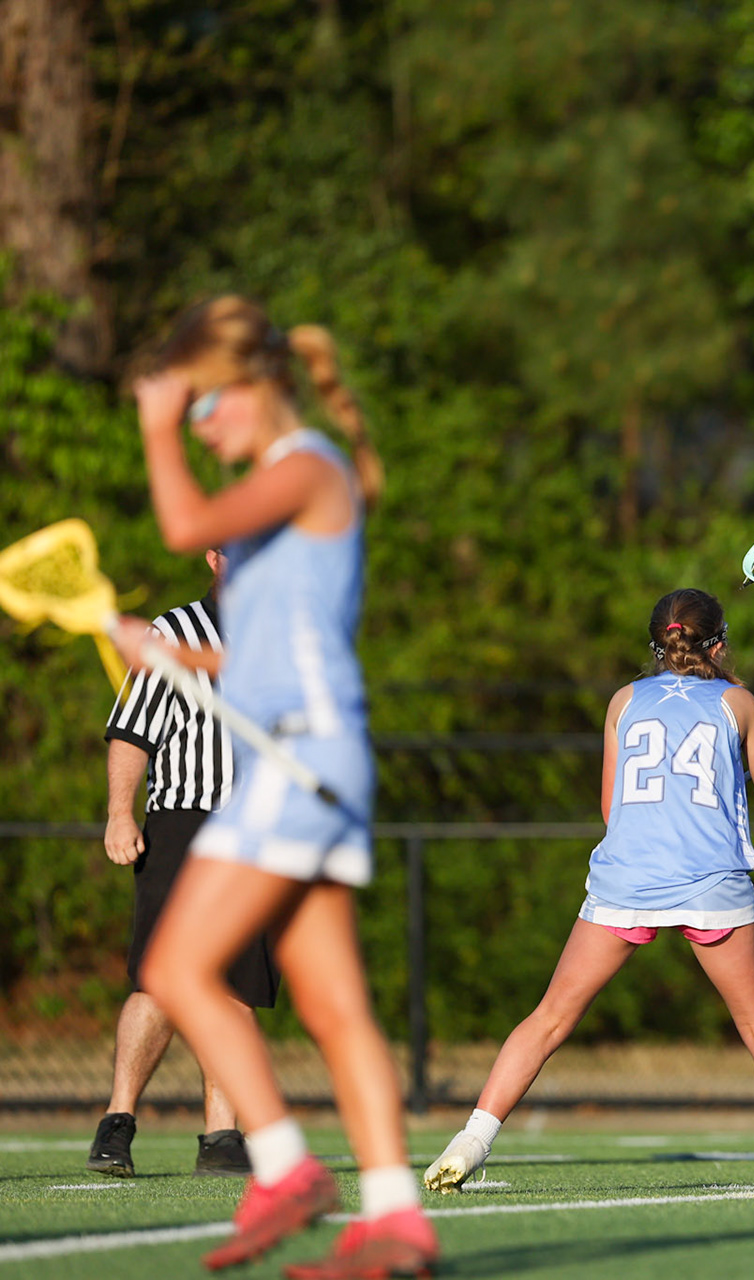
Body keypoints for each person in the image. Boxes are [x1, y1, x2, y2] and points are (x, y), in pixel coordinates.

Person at [110, 295, 436, 1278]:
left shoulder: (305, 466)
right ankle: (397, 1223)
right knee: (336, 1009)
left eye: (210, 405)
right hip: (313, 755)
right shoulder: (286, 493)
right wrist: (169, 661)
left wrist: (154, 422)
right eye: (191, 413)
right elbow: (263, 655)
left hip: (299, 764)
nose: (202, 426)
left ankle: (286, 1166)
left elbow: (180, 522)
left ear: (260, 389)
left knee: (174, 969)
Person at [422, 588, 754, 1197]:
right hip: (709, 883)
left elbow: (612, 808)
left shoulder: (623, 700)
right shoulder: (738, 702)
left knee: (549, 1019)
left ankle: (469, 1142)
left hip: (626, 879)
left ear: (658, 645)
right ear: (718, 644)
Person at [89, 550, 279, 1180]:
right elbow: (131, 732)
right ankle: (117, 1123)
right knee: (161, 980)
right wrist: (120, 813)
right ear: (215, 557)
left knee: (236, 989)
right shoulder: (177, 632)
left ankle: (221, 1137)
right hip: (186, 823)